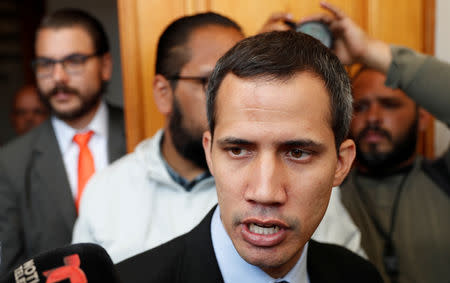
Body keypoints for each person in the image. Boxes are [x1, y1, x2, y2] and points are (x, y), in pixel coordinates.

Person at [116, 30, 387, 283]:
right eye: (238, 150)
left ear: (341, 164)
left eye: (297, 153)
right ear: (209, 152)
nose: (265, 192)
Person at [72, 12, 364, 264]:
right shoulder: (106, 192)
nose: (265, 191)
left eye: (297, 152)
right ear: (163, 93)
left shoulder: (313, 190)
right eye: (212, 80)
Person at [305, 2, 450, 283]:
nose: (373, 117)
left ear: (423, 117)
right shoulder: (324, 190)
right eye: (361, 106)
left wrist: (369, 51)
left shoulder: (443, 179)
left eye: (390, 104)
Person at [0, 9, 126, 276]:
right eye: (46, 64)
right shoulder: (10, 164)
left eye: (74, 61)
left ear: (105, 66)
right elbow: (10, 275)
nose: (58, 77)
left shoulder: (141, 136)